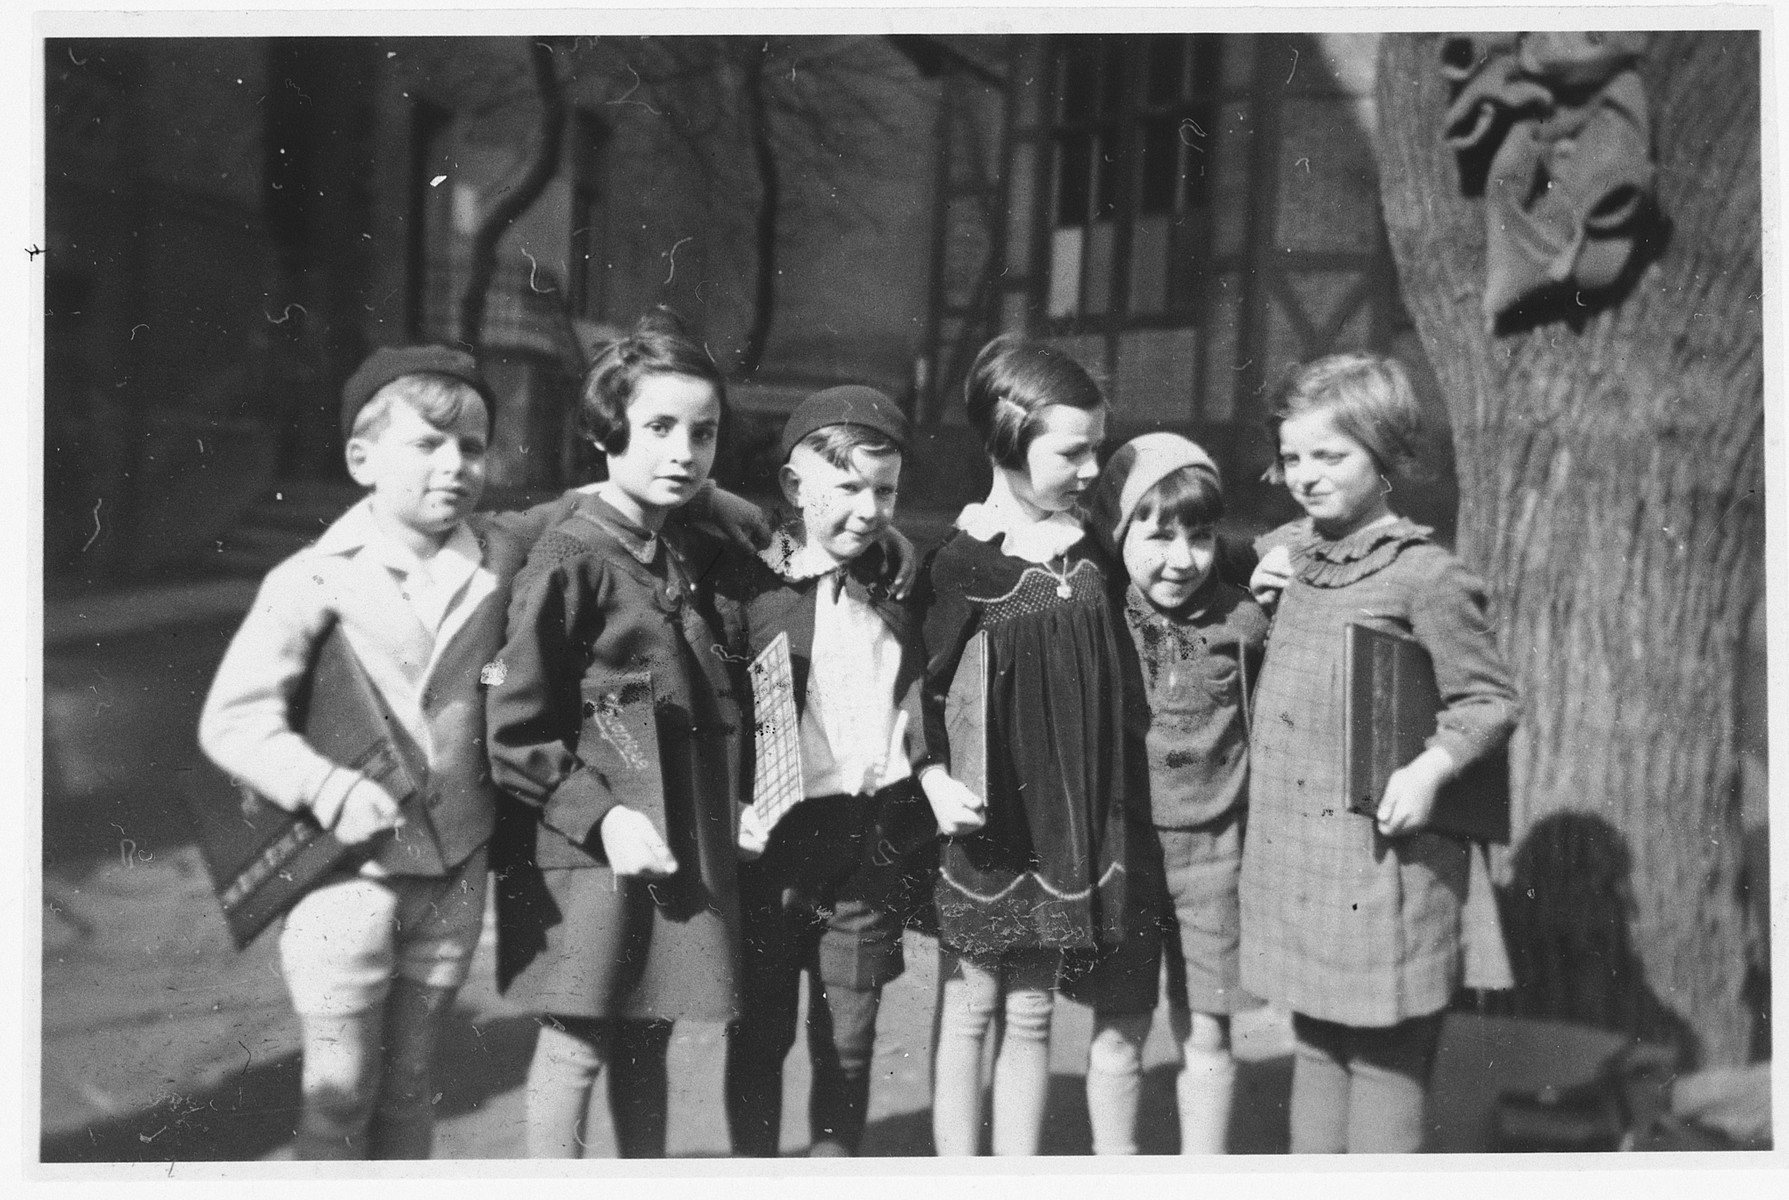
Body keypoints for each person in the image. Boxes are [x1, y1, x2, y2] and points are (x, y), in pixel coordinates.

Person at [198, 345, 523, 1159]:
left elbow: (501, 668)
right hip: (342, 878)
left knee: (412, 1094)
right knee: (338, 1103)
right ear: (361, 458)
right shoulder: (313, 578)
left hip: (451, 873)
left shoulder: (496, 568)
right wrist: (330, 787)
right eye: (427, 444)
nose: (455, 466)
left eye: (473, 447)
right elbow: (233, 721)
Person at [483, 310, 753, 1158]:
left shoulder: (677, 542)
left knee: (652, 1032)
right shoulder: (572, 558)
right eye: (660, 428)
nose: (684, 452)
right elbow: (514, 726)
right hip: (588, 843)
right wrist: (600, 818)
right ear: (607, 433)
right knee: (576, 1043)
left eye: (702, 434)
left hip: (672, 835)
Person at [1241, 351, 1519, 1153]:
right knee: (1318, 1047)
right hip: (1305, 861)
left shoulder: (1423, 574)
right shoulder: (1290, 554)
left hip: (1386, 864)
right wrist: (1259, 592)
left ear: (1385, 453)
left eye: (1330, 456)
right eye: (1292, 456)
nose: (1305, 475)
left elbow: (1488, 700)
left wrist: (1431, 767)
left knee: (1387, 1058)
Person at [916, 335, 1130, 1156]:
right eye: (1071, 452)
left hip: (1064, 821)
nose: (1088, 468)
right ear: (1008, 442)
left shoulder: (1093, 551)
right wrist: (931, 775)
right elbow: (921, 687)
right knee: (968, 1009)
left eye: (1096, 450)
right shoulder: (962, 561)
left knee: (1034, 1011)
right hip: (988, 818)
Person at [722, 385, 938, 1157]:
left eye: (884, 491)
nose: (868, 508)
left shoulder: (894, 583)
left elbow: (911, 689)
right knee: (762, 1029)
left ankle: (832, 1166)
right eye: (845, 487)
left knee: (849, 1028)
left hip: (865, 836)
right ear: (792, 487)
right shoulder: (753, 585)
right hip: (775, 838)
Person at [1065, 433, 1269, 1155]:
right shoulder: (1096, 614)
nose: (1180, 559)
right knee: (1117, 1032)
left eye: (1200, 536)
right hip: (1126, 862)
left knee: (1208, 1033)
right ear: (1119, 533)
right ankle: (1113, 1170)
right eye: (1156, 535)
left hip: (1216, 862)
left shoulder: (1244, 622)